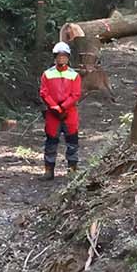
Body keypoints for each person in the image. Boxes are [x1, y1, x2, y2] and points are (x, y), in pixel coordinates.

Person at [40, 41, 84, 178]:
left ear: (68, 57)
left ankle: (72, 169)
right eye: (59, 56)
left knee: (72, 142)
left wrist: (63, 107)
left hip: (69, 113)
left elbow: (76, 94)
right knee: (51, 141)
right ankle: (48, 170)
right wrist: (54, 107)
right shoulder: (47, 74)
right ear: (55, 57)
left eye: (64, 56)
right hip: (52, 114)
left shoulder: (74, 75)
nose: (61, 58)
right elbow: (44, 93)